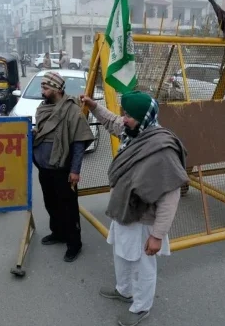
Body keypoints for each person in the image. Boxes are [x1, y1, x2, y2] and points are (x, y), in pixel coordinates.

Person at [80, 91, 188, 326]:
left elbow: (170, 197)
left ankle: (141, 307)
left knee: (142, 264)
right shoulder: (134, 132)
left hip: (144, 219)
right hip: (124, 211)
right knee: (121, 253)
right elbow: (110, 121)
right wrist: (93, 105)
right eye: (124, 113)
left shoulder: (162, 150)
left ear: (144, 116)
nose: (123, 118)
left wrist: (157, 235)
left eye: (128, 115)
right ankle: (124, 290)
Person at [33, 71, 94, 262]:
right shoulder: (43, 107)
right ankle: (58, 233)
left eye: (46, 87)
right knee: (50, 204)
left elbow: (78, 143)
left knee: (68, 208)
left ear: (57, 89)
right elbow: (40, 132)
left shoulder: (72, 110)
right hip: (44, 168)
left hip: (63, 170)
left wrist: (75, 171)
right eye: (42, 86)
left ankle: (74, 244)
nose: (42, 90)